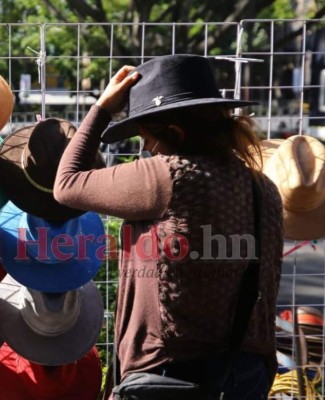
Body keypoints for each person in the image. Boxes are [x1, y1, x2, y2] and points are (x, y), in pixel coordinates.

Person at [54, 54, 283, 399]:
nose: (144, 149)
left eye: (146, 138)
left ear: (175, 133)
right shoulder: (263, 188)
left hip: (169, 375)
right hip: (245, 373)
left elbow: (66, 184)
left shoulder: (167, 176)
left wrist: (102, 108)